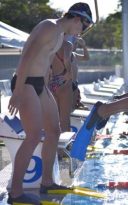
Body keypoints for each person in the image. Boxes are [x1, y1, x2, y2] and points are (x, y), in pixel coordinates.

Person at [7, 2, 93, 204]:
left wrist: (47, 87)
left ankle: (47, 181)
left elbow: (45, 63)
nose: (83, 31)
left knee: (54, 131)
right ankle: (16, 193)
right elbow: (26, 57)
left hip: (40, 85)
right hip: (25, 82)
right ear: (77, 19)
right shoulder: (49, 27)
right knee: (33, 136)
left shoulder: (61, 35)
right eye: (84, 26)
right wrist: (18, 91)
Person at [48, 40, 73, 132]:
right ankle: (66, 144)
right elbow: (66, 59)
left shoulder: (50, 43)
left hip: (52, 81)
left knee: (55, 118)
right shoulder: (67, 44)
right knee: (65, 119)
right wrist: (69, 72)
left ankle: (56, 142)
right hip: (63, 80)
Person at [68, 36, 90, 110]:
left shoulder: (74, 55)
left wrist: (84, 46)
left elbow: (86, 58)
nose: (76, 45)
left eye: (77, 44)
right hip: (67, 84)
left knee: (73, 108)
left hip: (74, 84)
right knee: (68, 108)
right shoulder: (62, 54)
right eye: (75, 43)